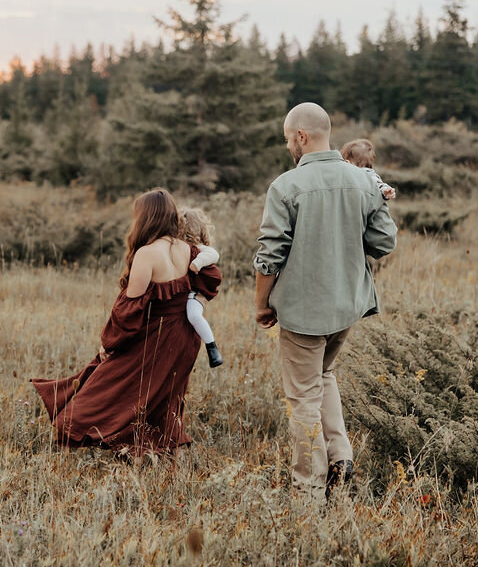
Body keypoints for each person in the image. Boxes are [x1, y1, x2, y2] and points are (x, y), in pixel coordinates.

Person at [254, 103, 397, 500]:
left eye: (288, 139)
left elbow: (269, 255)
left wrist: (261, 305)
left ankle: (310, 492)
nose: (288, 147)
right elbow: (385, 242)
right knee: (323, 375)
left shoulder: (286, 186)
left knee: (301, 397)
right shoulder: (364, 182)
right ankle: (341, 456)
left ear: (301, 136)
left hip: (303, 313)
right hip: (346, 308)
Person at [31, 188, 222, 457]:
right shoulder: (188, 250)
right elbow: (210, 280)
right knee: (162, 396)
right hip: (185, 337)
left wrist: (109, 344)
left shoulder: (146, 253)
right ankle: (154, 456)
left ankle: (85, 431)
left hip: (156, 335)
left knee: (110, 387)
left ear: (146, 218)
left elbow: (128, 310)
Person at [180, 207, 223, 368]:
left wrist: (196, 263)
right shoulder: (178, 248)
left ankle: (212, 348)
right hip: (181, 295)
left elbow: (213, 254)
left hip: (194, 294)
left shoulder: (199, 249)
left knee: (194, 316)